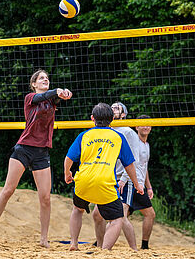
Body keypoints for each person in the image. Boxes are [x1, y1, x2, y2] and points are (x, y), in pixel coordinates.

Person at [0, 70, 72, 248]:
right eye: (41, 78)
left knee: (45, 198)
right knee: (8, 190)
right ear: (34, 84)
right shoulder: (30, 98)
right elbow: (47, 95)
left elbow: (55, 98)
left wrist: (64, 94)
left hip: (42, 152)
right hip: (24, 149)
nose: (45, 80)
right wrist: (57, 91)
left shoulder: (50, 101)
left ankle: (43, 239)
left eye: (47, 78)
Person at [65, 103, 143, 250]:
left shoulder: (84, 135)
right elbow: (129, 165)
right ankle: (105, 250)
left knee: (77, 209)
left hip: (83, 181)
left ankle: (74, 243)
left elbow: (68, 158)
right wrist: (137, 184)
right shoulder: (118, 137)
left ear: (92, 118)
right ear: (112, 119)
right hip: (105, 183)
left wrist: (67, 173)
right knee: (117, 219)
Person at [91, 102, 138, 250]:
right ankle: (100, 246)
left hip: (124, 179)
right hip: (107, 179)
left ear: (123, 115)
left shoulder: (128, 132)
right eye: (112, 107)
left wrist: (125, 179)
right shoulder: (105, 131)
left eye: (117, 108)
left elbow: (132, 159)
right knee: (97, 215)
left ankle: (134, 249)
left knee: (121, 216)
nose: (113, 109)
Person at [120, 115, 156, 249]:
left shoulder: (147, 145)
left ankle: (100, 241)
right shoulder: (134, 142)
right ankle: (144, 246)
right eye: (142, 125)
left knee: (121, 215)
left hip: (139, 183)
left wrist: (149, 187)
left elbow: (144, 167)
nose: (146, 127)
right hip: (133, 183)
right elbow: (130, 163)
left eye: (148, 125)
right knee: (150, 214)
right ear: (136, 127)